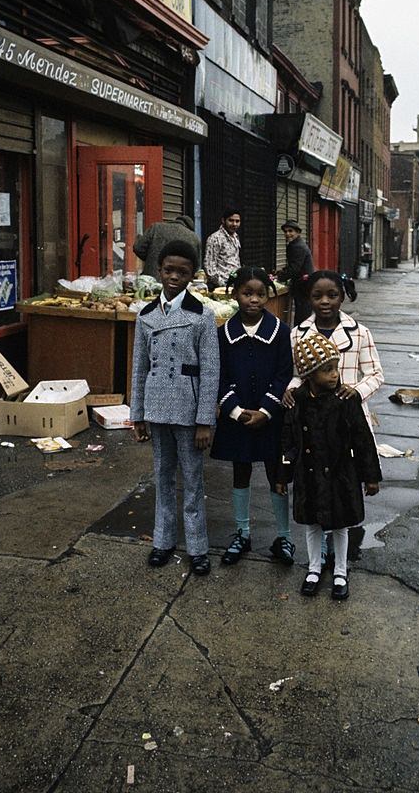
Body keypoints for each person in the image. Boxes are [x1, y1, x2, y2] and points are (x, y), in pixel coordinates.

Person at [131, 240, 220, 576]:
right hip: (156, 408)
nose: (174, 277)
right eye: (169, 270)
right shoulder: (146, 315)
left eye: (182, 272)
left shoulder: (202, 316)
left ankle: (198, 547)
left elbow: (211, 371)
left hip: (188, 408)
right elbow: (139, 368)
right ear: (159, 271)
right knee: (162, 477)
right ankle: (163, 541)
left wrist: (204, 421)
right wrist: (137, 414)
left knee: (194, 481)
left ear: (191, 275)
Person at [278, 332, 382, 600]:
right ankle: (313, 568)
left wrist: (370, 476)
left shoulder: (346, 400)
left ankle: (340, 570)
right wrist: (283, 474)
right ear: (310, 374)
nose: (335, 375)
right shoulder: (297, 401)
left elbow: (362, 439)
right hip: (308, 475)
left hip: (340, 475)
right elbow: (288, 442)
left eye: (335, 368)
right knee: (311, 523)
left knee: (340, 525)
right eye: (326, 370)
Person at [210, 266, 294, 567]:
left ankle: (284, 537)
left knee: (276, 474)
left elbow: (285, 375)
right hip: (238, 418)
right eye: (247, 293)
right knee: (240, 470)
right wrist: (234, 410)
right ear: (235, 295)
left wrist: (266, 411)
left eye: (260, 294)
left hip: (270, 419)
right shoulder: (223, 335)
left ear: (268, 297)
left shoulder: (282, 333)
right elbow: (218, 376)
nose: (253, 300)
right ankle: (242, 532)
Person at [282, 270, 384, 428]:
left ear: (342, 297)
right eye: (317, 296)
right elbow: (297, 375)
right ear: (309, 298)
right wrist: (291, 389)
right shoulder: (297, 334)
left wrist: (357, 391)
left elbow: (375, 374)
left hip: (349, 414)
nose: (324, 301)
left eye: (332, 295)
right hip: (310, 415)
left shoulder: (360, 333)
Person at [133, 215, 201, 280]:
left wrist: (150, 259)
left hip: (151, 280)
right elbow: (196, 266)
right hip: (178, 283)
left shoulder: (156, 227)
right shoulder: (193, 238)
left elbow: (138, 248)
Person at [277, 220, 314, 325]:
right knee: (302, 314)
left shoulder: (297, 246)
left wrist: (280, 277)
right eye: (285, 231)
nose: (287, 234)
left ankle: (301, 337)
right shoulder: (295, 244)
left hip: (303, 284)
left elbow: (294, 268)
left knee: (302, 316)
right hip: (302, 284)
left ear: (298, 232)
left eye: (290, 231)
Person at [204, 208, 241, 288]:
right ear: (223, 220)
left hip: (234, 284)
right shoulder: (215, 238)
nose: (234, 224)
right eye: (231, 220)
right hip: (220, 287)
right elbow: (209, 267)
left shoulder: (235, 237)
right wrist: (223, 285)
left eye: (237, 221)